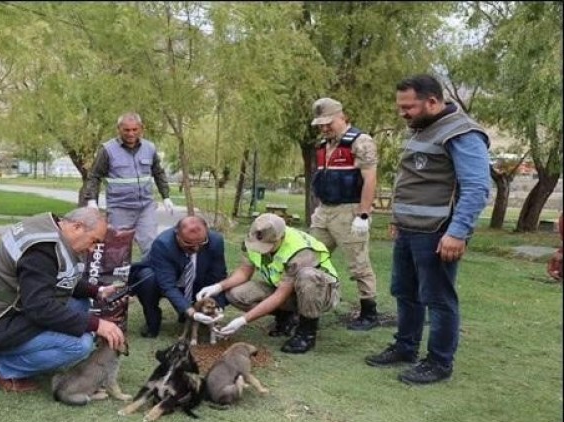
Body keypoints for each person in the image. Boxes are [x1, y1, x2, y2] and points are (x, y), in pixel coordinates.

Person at [365, 74, 491, 385]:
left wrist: (458, 232)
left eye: (408, 107)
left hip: (437, 233)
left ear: (432, 102)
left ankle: (439, 362)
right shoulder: (423, 129)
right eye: (400, 107)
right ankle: (406, 347)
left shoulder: (462, 133)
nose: (402, 113)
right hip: (410, 230)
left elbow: (476, 187)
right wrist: (398, 218)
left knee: (438, 298)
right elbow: (413, 180)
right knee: (405, 292)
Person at [0, 207, 126, 392]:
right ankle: (0, 369)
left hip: (8, 312)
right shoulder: (42, 250)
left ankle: (32, 354)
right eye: (94, 241)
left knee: (80, 304)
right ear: (77, 227)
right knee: (80, 345)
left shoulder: (50, 229)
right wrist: (98, 325)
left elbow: (56, 277)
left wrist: (98, 291)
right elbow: (40, 308)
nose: (92, 249)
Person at [199, 213, 340, 353]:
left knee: (307, 276)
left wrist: (242, 320)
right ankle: (286, 317)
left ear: (280, 237)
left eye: (266, 246)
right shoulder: (252, 238)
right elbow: (244, 271)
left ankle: (306, 333)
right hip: (284, 289)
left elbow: (281, 294)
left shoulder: (300, 250)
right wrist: (218, 287)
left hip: (322, 294)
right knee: (234, 293)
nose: (260, 249)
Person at [309, 97, 380, 332]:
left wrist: (363, 215)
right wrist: (319, 209)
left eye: (329, 122)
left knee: (358, 263)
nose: (325, 128)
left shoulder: (361, 142)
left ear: (342, 116)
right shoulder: (323, 146)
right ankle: (309, 306)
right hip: (325, 210)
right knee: (309, 258)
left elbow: (370, 179)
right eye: (320, 124)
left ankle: (369, 311)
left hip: (349, 210)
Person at [84, 112, 175, 259]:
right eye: (126, 130)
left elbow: (158, 172)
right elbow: (94, 176)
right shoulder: (107, 150)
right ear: (118, 129)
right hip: (120, 208)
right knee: (117, 250)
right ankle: (117, 281)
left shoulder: (149, 148)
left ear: (141, 128)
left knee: (151, 247)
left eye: (134, 129)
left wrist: (166, 197)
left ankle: (149, 278)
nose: (131, 134)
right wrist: (92, 201)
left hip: (145, 208)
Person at [128, 215, 228, 338]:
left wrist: (217, 308)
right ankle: (153, 322)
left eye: (202, 242)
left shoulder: (215, 241)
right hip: (165, 281)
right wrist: (191, 312)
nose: (196, 248)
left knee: (223, 286)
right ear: (177, 234)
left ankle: (192, 314)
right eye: (189, 244)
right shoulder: (163, 244)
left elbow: (218, 277)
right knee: (147, 278)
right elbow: (167, 286)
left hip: (198, 283)